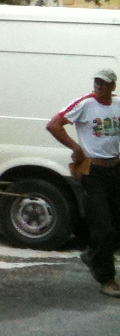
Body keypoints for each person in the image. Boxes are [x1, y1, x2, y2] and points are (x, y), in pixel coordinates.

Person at [45, 67, 120, 297]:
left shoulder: (117, 104)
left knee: (116, 225)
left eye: (104, 83)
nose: (99, 86)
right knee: (103, 227)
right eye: (97, 82)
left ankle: (91, 255)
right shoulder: (85, 104)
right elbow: (54, 124)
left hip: (115, 169)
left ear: (113, 86)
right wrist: (75, 147)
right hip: (92, 171)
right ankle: (107, 279)